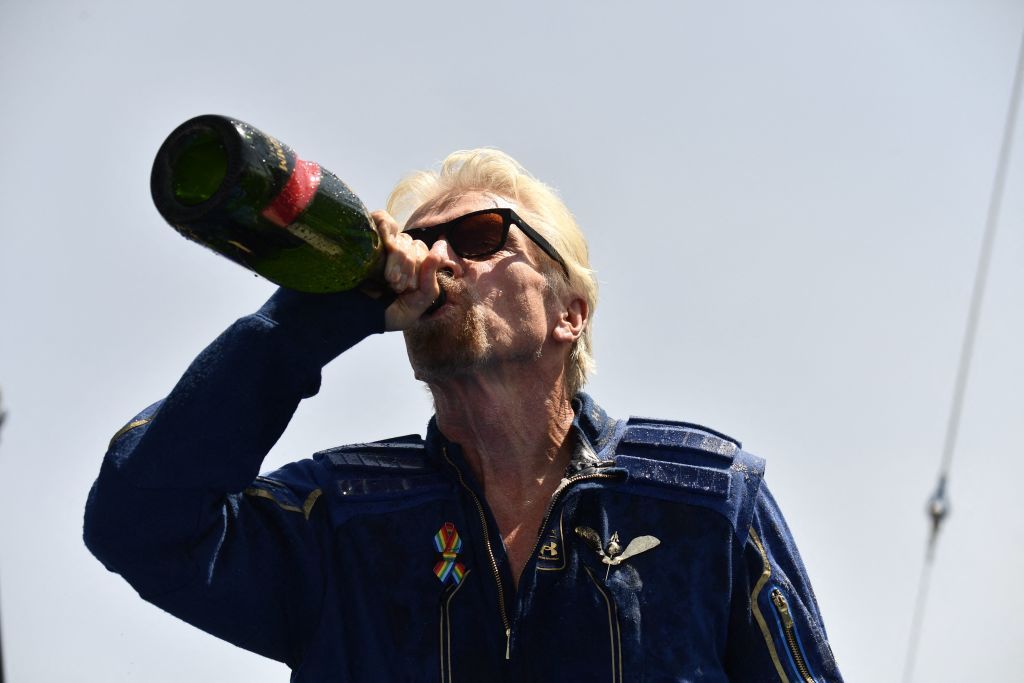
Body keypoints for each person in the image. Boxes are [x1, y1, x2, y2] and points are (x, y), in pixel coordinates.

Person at [84, 149, 843, 682]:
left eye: (481, 237)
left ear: (570, 313)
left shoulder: (704, 497)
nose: (439, 258)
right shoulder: (342, 516)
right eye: (419, 243)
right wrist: (299, 328)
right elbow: (138, 524)